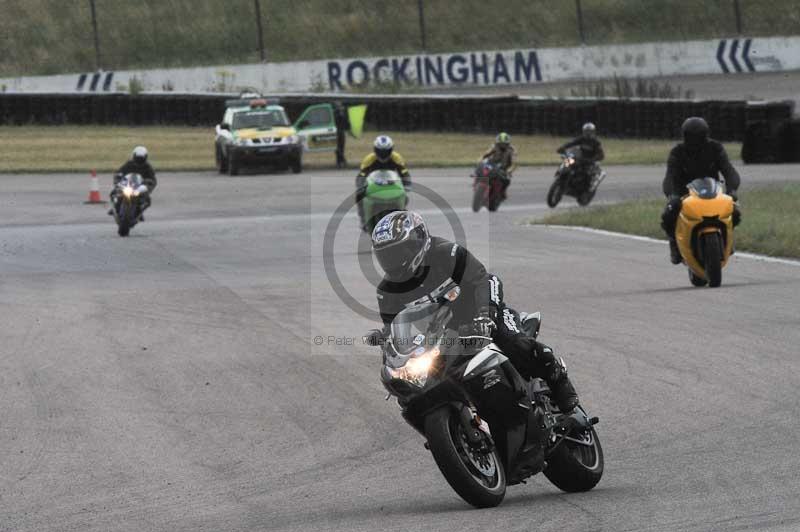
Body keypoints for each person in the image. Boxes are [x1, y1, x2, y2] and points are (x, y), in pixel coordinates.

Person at [366, 210, 579, 413]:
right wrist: (387, 342)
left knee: (513, 341)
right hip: (447, 335)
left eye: (398, 252)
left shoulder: (446, 253)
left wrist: (486, 314)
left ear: (418, 240)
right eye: (386, 256)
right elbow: (394, 328)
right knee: (425, 383)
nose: (393, 261)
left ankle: (557, 377)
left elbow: (482, 279)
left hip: (483, 314)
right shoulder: (387, 291)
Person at [661, 117, 741, 264]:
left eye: (698, 136)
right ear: (685, 136)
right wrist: (672, 195)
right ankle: (674, 244)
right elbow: (669, 177)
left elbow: (729, 171)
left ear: (706, 135)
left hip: (713, 192)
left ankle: (728, 238)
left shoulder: (715, 148)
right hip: (684, 194)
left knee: (734, 210)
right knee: (668, 214)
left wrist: (732, 190)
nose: (695, 140)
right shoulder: (677, 152)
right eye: (691, 136)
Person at [355, 135, 412, 227]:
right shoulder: (369, 159)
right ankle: (363, 218)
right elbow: (362, 174)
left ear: (391, 150)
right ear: (375, 150)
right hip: (374, 186)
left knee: (404, 196)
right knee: (359, 195)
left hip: (392, 185)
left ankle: (402, 214)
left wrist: (407, 184)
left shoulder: (396, 158)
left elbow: (404, 172)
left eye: (386, 152)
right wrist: (360, 185)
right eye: (380, 152)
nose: (383, 154)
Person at [109, 146, 157, 221]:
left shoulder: (148, 167)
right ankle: (115, 207)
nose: (139, 160)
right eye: (138, 158)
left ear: (145, 157)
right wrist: (118, 177)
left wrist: (149, 183)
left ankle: (139, 213)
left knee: (147, 200)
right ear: (134, 156)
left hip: (139, 187)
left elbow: (153, 179)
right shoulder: (129, 164)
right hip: (129, 184)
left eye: (141, 158)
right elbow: (120, 171)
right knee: (114, 193)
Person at [557, 122, 605, 187]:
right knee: (568, 161)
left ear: (593, 132)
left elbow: (601, 155)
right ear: (583, 131)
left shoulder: (596, 142)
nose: (588, 133)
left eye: (589, 132)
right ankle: (560, 174)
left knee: (587, 173)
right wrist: (562, 148)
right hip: (580, 158)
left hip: (590, 162)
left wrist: (592, 159)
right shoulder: (581, 139)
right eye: (586, 131)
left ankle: (586, 187)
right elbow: (571, 143)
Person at [480, 132, 517, 198]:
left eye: (504, 144)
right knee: (483, 171)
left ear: (508, 143)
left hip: (504, 168)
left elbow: (514, 163)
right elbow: (486, 154)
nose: (502, 145)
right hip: (492, 165)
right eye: (501, 143)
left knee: (507, 180)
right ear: (498, 142)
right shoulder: (494, 147)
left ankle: (503, 190)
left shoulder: (512, 150)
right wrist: (481, 160)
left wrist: (509, 171)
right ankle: (479, 184)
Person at [333, 102, 350, 169]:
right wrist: (340, 113)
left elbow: (345, 122)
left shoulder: (341, 113)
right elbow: (338, 120)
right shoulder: (335, 113)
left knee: (341, 148)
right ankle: (342, 161)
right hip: (337, 132)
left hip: (341, 131)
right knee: (338, 148)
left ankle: (340, 162)